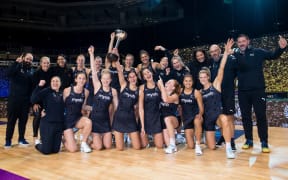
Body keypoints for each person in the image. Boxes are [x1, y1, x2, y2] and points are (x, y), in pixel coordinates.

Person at [233, 34, 287, 153]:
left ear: (248, 41)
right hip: (242, 92)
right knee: (246, 117)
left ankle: (264, 142)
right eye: (239, 42)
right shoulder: (235, 55)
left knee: (261, 117)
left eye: (243, 41)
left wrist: (281, 48)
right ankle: (249, 140)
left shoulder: (257, 52)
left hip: (258, 91)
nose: (241, 43)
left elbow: (273, 55)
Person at [199, 38, 236, 159]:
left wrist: (225, 53)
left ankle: (229, 147)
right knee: (211, 147)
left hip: (217, 115)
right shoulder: (199, 92)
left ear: (208, 77)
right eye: (201, 77)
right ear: (199, 79)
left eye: (205, 76)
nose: (203, 79)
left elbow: (221, 68)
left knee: (225, 119)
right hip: (208, 119)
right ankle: (203, 139)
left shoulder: (216, 84)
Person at [88, 45, 118, 150]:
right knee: (99, 147)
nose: (105, 80)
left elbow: (117, 107)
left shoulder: (113, 91)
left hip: (105, 121)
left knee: (108, 146)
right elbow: (93, 69)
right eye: (104, 79)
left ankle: (99, 139)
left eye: (107, 79)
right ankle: (90, 142)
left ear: (110, 80)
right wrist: (91, 54)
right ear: (101, 79)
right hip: (95, 120)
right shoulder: (97, 86)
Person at [209, 44, 237, 151]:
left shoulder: (229, 59)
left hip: (228, 93)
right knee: (221, 117)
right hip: (217, 96)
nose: (214, 53)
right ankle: (223, 137)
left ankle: (232, 140)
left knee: (229, 118)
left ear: (220, 50)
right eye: (212, 52)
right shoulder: (211, 64)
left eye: (216, 50)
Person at [5, 53, 34, 148]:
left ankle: (21, 139)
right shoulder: (17, 67)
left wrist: (30, 103)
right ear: (23, 58)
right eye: (27, 59)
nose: (29, 61)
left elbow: (31, 88)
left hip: (25, 102)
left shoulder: (31, 72)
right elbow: (8, 74)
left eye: (30, 60)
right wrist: (16, 63)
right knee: (11, 121)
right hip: (14, 100)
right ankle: (8, 140)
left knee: (23, 122)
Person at [31, 76, 64, 155]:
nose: (55, 83)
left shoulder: (63, 93)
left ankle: (48, 143)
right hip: (47, 124)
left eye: (57, 81)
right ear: (50, 82)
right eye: (53, 81)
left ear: (60, 83)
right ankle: (37, 144)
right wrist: (39, 86)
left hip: (59, 125)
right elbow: (33, 99)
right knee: (46, 151)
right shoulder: (46, 91)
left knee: (56, 150)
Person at [112, 60, 141, 150]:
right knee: (120, 149)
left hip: (130, 118)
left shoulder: (139, 91)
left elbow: (138, 108)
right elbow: (120, 71)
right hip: (119, 117)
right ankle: (120, 135)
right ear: (128, 79)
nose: (132, 79)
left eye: (134, 77)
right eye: (130, 77)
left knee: (137, 147)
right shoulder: (124, 85)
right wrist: (116, 59)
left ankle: (128, 135)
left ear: (136, 77)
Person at [63, 72, 92, 153]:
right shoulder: (67, 90)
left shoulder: (86, 92)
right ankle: (62, 139)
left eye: (83, 78)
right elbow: (60, 105)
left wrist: (94, 108)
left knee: (88, 122)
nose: (81, 80)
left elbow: (83, 106)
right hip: (67, 121)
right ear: (76, 79)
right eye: (79, 78)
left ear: (86, 80)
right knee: (73, 149)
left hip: (77, 119)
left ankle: (83, 143)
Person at [138, 67, 163, 149]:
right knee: (144, 145)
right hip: (145, 118)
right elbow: (140, 108)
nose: (147, 75)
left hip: (156, 117)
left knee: (159, 146)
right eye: (145, 74)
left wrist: (162, 85)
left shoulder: (158, 85)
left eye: (148, 72)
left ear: (152, 73)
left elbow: (165, 100)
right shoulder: (142, 88)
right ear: (143, 77)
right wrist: (142, 126)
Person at [179, 74, 204, 155]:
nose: (188, 83)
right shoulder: (180, 91)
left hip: (195, 116)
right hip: (187, 119)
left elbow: (201, 108)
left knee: (197, 121)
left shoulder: (196, 92)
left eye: (190, 81)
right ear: (183, 82)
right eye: (186, 81)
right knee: (190, 146)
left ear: (192, 82)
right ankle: (196, 137)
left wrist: (200, 114)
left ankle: (198, 145)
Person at [31, 56, 52, 145]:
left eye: (47, 63)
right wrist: (34, 103)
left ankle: (44, 137)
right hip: (38, 101)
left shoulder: (51, 73)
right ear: (41, 63)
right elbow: (32, 89)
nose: (46, 64)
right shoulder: (36, 74)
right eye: (44, 62)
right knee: (38, 116)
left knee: (47, 118)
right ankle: (35, 137)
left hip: (48, 101)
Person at [157, 78, 181, 154]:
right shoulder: (162, 92)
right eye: (167, 81)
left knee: (167, 119)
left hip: (173, 119)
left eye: (170, 83)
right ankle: (173, 144)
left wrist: (162, 86)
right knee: (166, 145)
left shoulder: (175, 96)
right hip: (164, 121)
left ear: (173, 87)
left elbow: (166, 100)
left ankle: (173, 144)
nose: (167, 83)